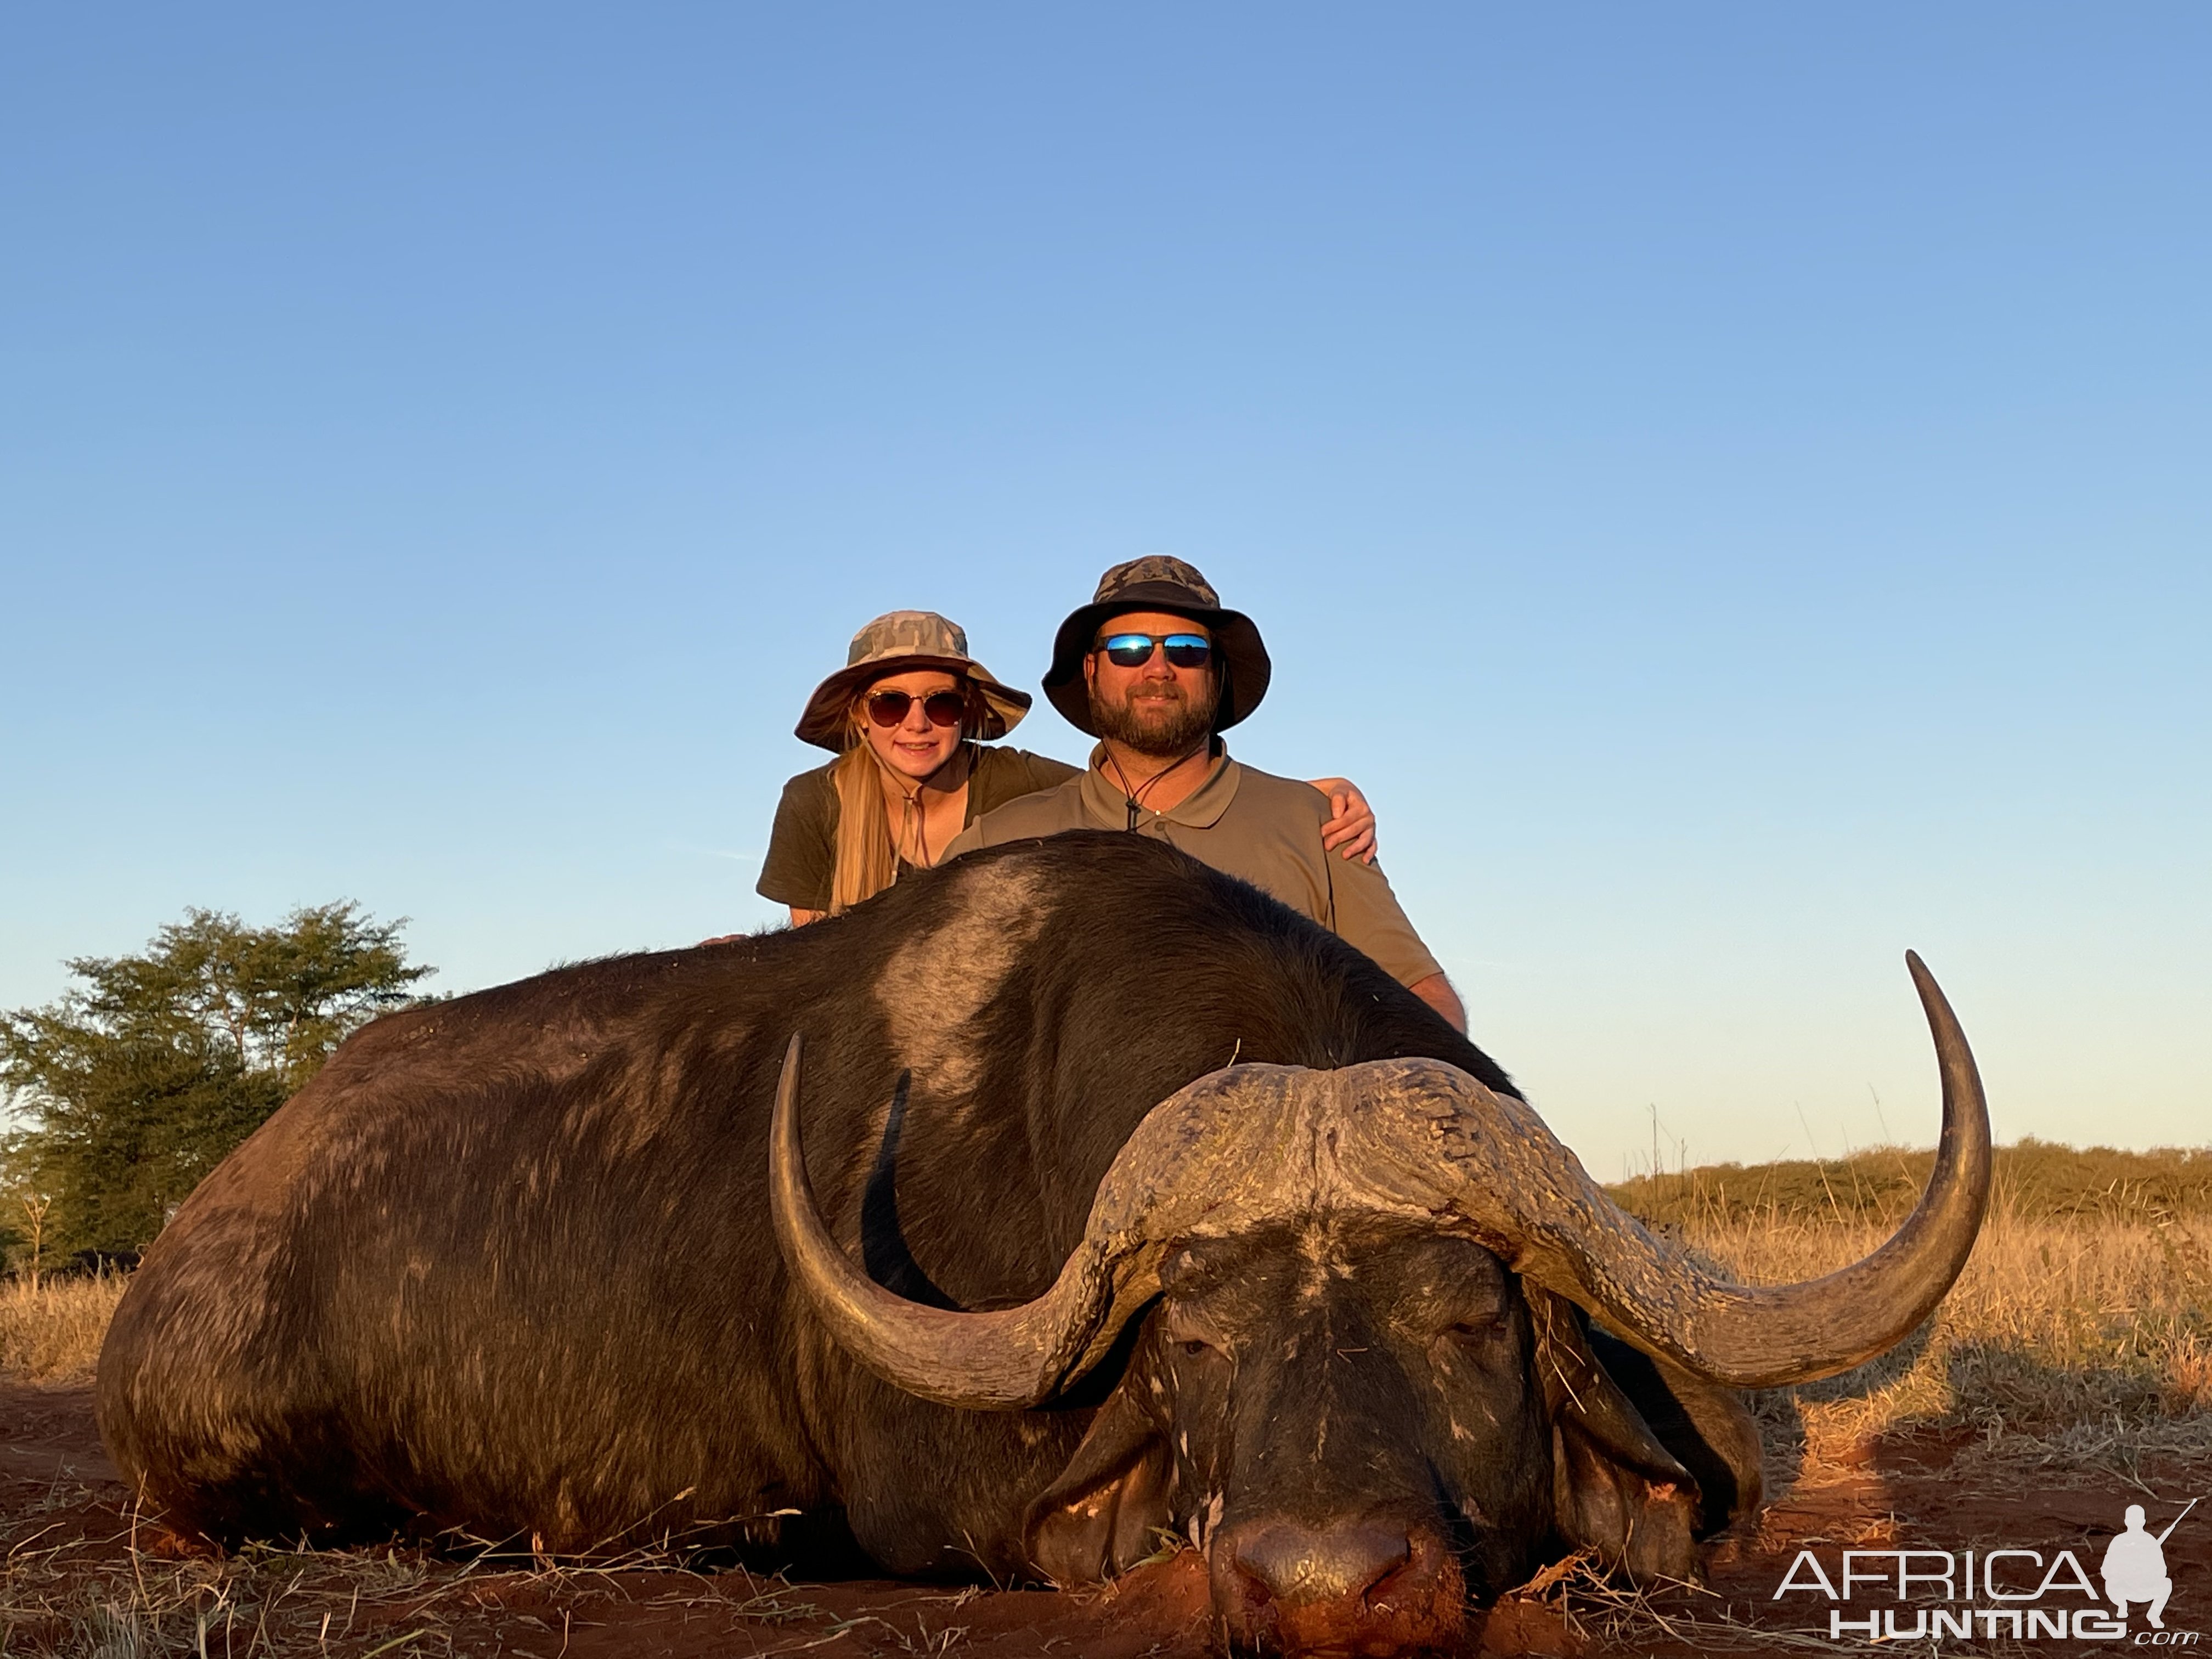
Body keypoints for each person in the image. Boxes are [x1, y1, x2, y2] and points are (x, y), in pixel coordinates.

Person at [943, 558, 1468, 1031]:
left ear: (1216, 672)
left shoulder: (1317, 826)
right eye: (1127, 649)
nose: (1157, 669)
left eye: (1186, 650)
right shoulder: (999, 843)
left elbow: (1426, 1002)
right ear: (1090, 670)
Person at [751, 610, 1379, 927]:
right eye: (890, 703)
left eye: (939, 702)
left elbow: (1125, 791)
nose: (916, 723)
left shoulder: (1022, 786)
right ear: (861, 716)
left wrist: (1309, 796)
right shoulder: (814, 803)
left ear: (967, 711)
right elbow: (815, 954)